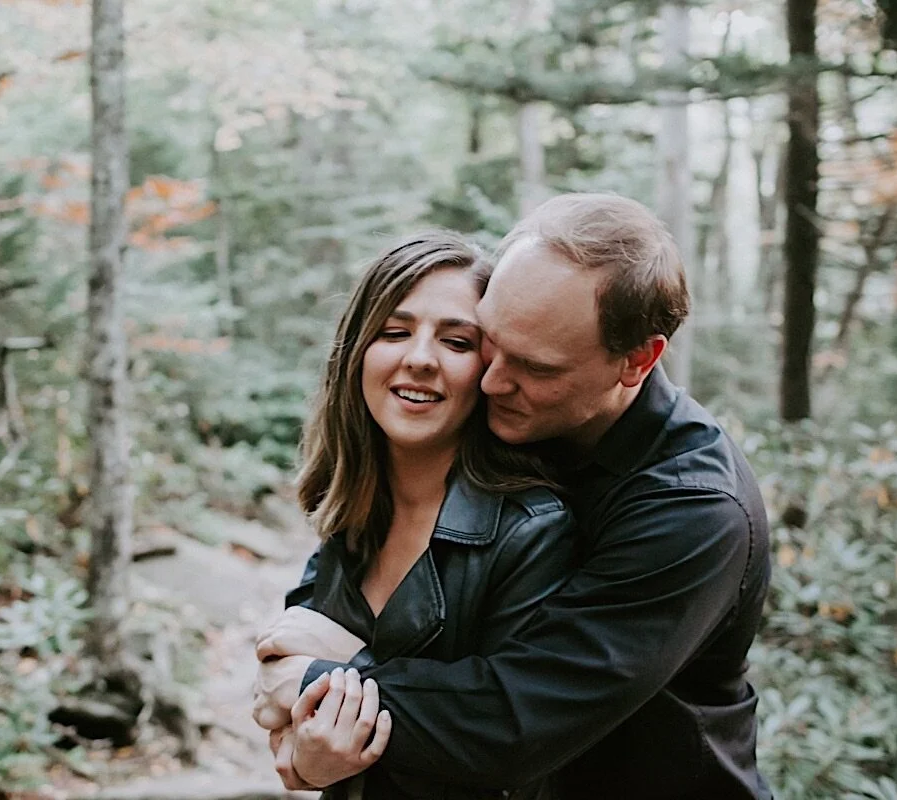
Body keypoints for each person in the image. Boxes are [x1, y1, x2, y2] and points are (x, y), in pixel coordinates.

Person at [253, 193, 773, 799]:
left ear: (636, 361)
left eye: (535, 366)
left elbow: (513, 720)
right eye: (491, 343)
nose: (493, 380)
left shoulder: (695, 510)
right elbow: (314, 612)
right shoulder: (503, 417)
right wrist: (310, 741)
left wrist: (338, 676)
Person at [259, 231, 577, 798]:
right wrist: (309, 762)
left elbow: (510, 749)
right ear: (357, 351)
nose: (420, 359)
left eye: (456, 342)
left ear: (489, 368)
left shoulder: (533, 531)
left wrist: (343, 666)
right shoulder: (351, 514)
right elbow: (278, 704)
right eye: (395, 332)